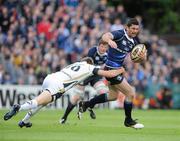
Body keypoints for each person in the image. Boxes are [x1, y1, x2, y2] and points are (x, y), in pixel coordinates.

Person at [3, 57, 125, 128]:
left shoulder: (76, 64)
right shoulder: (90, 68)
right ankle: (19, 107)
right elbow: (109, 74)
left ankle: (24, 121)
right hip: (59, 85)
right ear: (90, 63)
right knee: (39, 101)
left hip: (50, 78)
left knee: (42, 103)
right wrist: (121, 69)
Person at [78, 18, 147, 129]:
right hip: (111, 70)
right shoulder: (120, 34)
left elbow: (136, 58)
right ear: (127, 27)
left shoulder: (134, 41)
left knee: (112, 96)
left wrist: (142, 57)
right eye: (133, 28)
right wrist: (109, 41)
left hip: (116, 70)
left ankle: (87, 104)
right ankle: (128, 121)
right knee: (130, 93)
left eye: (137, 29)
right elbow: (105, 36)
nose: (135, 31)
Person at [60, 39, 108, 124]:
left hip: (95, 75)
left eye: (105, 47)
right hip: (86, 75)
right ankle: (64, 117)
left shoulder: (107, 55)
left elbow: (104, 67)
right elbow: (88, 64)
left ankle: (89, 104)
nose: (103, 48)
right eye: (102, 46)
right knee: (77, 97)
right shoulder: (93, 51)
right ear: (98, 46)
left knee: (103, 92)